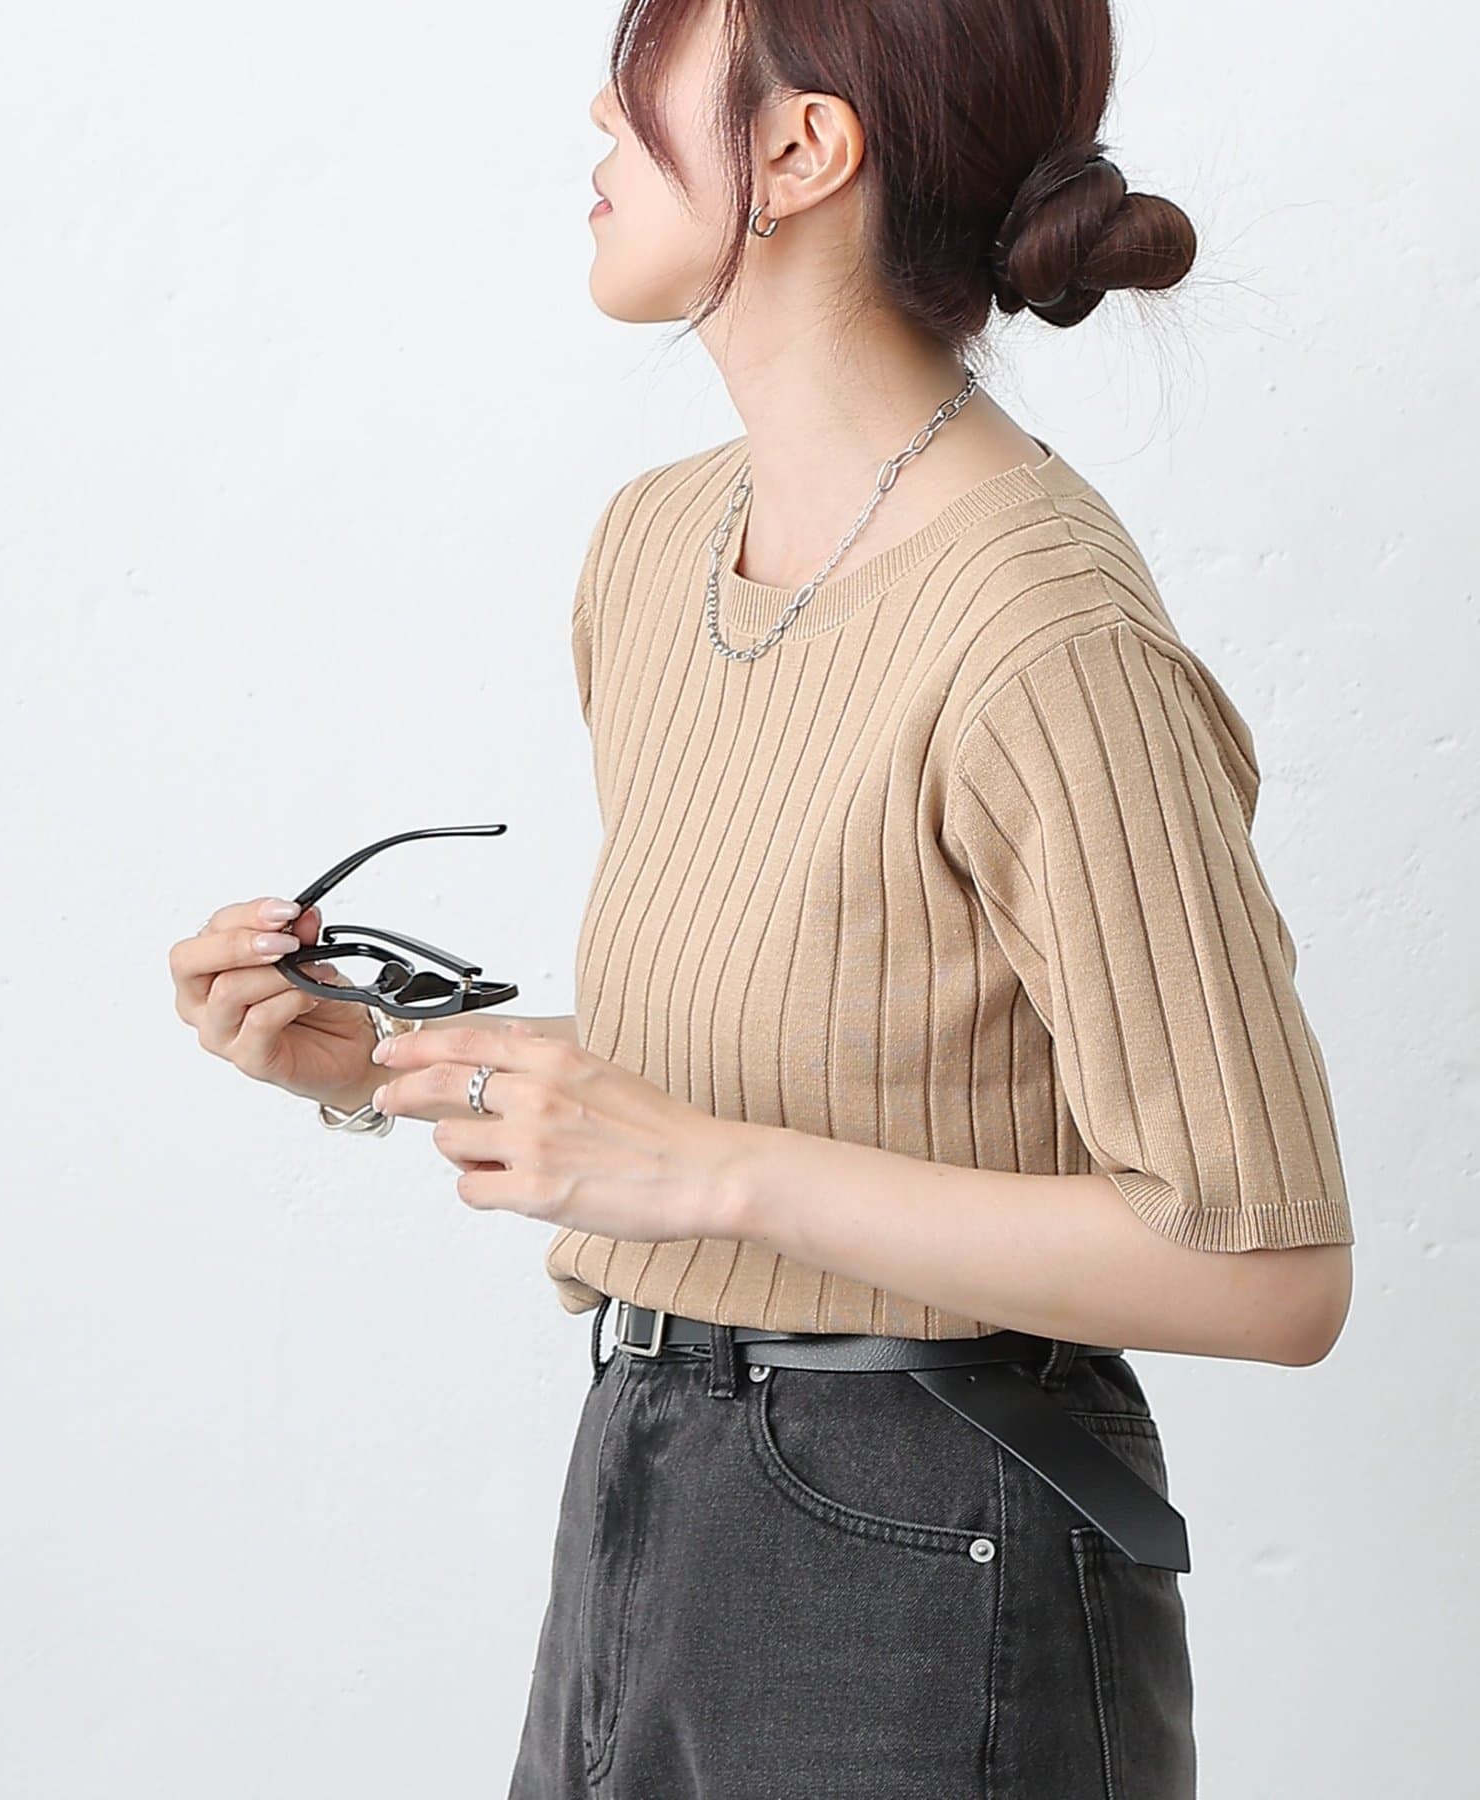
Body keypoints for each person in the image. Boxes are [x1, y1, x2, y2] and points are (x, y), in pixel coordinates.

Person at [169, 1, 1356, 1792]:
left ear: (803, 151)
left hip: (932, 1524)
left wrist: (711, 1173)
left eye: (653, 58)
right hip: (647, 1466)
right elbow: (839, 1037)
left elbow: (1270, 1267)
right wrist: (392, 1060)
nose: (601, 106)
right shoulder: (657, 549)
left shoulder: (1045, 638)